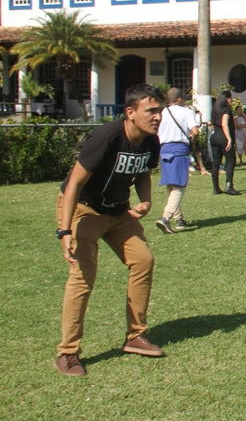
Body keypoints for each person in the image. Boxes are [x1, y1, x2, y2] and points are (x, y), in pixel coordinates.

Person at [53, 84, 167, 376]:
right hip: (82, 209)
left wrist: (146, 201)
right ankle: (67, 352)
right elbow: (74, 184)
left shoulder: (150, 141)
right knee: (83, 277)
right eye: (151, 111)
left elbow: (142, 172)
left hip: (117, 211)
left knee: (143, 260)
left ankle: (135, 336)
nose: (157, 116)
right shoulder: (105, 138)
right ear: (130, 113)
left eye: (160, 110)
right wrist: (65, 231)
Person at [155, 87, 200, 234]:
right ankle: (166, 217)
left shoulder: (162, 112)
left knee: (171, 185)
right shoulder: (186, 112)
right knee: (179, 185)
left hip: (164, 149)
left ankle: (179, 218)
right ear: (179, 99)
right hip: (179, 148)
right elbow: (195, 131)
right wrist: (192, 143)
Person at [209, 90, 240, 195]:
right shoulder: (226, 109)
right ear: (227, 99)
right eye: (230, 98)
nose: (231, 100)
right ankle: (229, 185)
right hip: (223, 137)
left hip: (214, 137)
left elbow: (212, 123)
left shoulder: (214, 109)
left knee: (216, 162)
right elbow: (224, 124)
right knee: (231, 160)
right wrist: (229, 139)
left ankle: (216, 187)